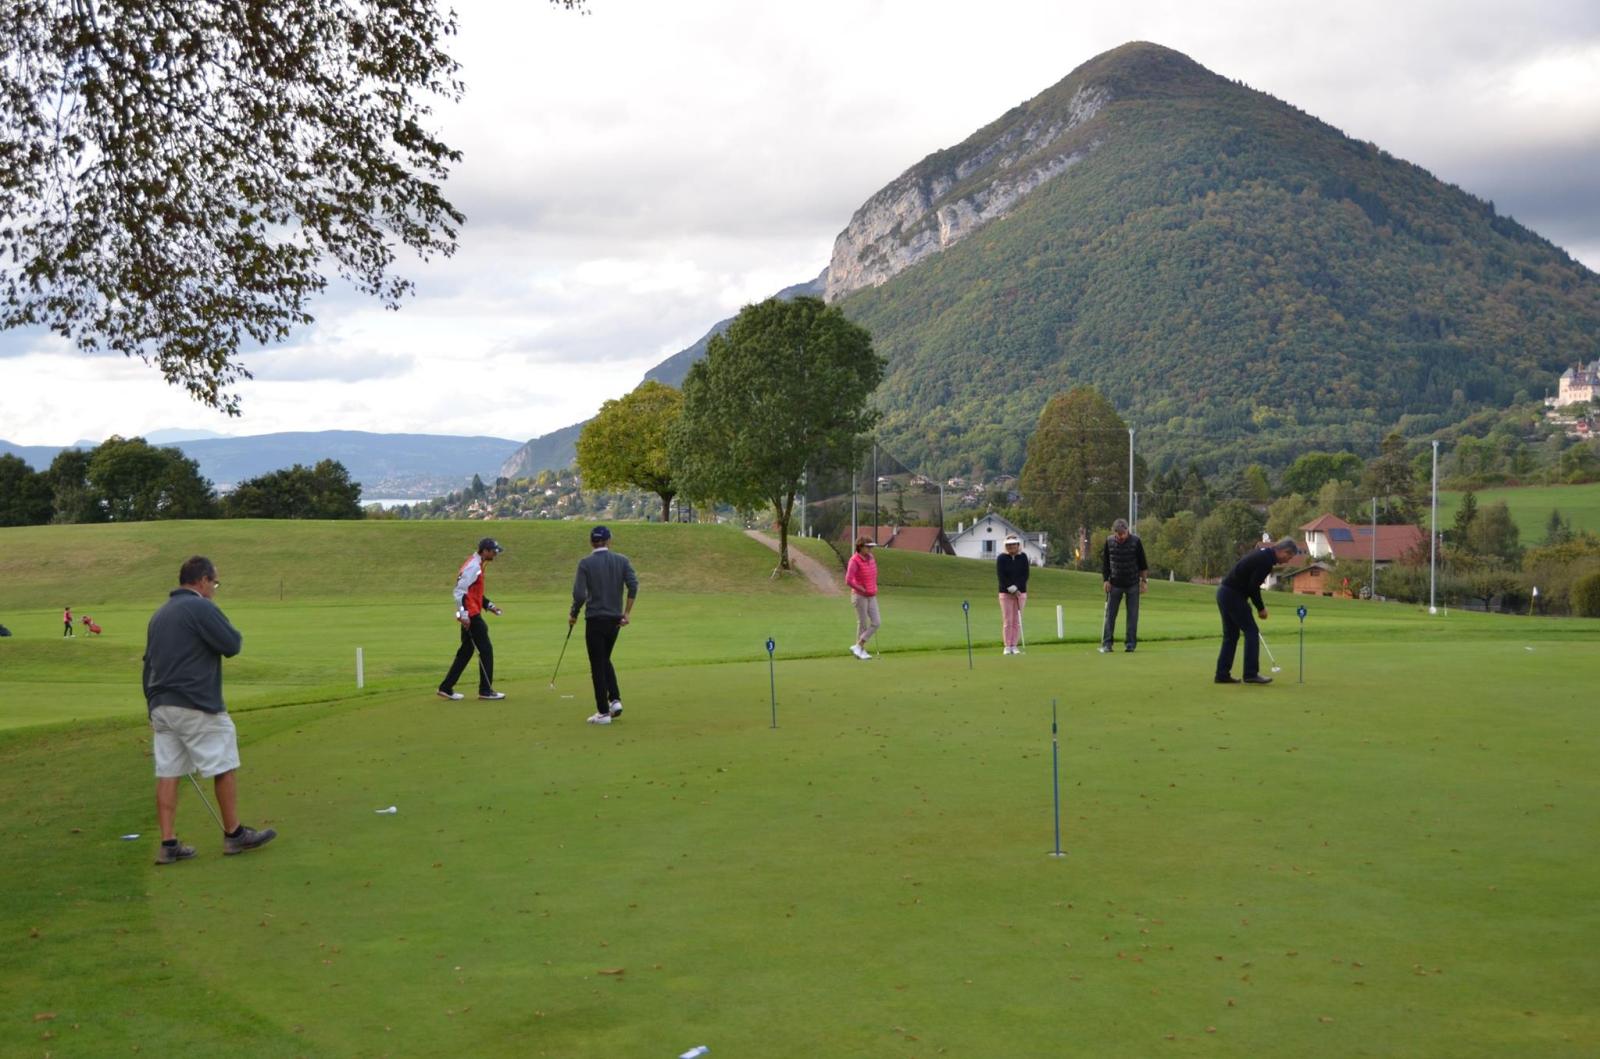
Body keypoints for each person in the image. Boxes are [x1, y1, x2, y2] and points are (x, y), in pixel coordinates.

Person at [143, 555, 276, 864]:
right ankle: (234, 835)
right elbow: (231, 644)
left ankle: (168, 843)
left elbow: (147, 664)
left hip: (161, 705)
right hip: (196, 702)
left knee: (168, 772)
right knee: (223, 761)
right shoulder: (200, 606)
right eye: (214, 583)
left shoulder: (159, 615)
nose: (214, 588)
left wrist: (152, 706)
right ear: (201, 581)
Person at [570, 525, 638, 724]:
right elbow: (633, 585)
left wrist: (574, 612)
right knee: (604, 659)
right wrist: (626, 613)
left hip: (595, 619)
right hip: (615, 620)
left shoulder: (585, 563)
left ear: (591, 542)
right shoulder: (622, 560)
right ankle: (614, 700)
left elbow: (580, 594)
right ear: (609, 540)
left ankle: (603, 712)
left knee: (597, 665)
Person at [1215, 537, 1300, 685]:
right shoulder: (1265, 561)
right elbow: (1253, 587)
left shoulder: (1264, 555)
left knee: (1231, 635)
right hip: (1233, 595)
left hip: (1225, 593)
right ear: (1283, 551)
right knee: (1251, 631)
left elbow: (1248, 583)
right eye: (1289, 556)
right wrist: (1261, 608)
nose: (1288, 561)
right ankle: (1250, 674)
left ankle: (1222, 674)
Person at [438, 537, 506, 701]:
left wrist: (490, 606)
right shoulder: (473, 566)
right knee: (486, 651)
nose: (495, 554)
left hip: (472, 613)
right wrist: (464, 614)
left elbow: (474, 593)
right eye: (493, 551)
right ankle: (485, 690)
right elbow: (459, 592)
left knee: (466, 652)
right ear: (485, 551)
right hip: (471, 616)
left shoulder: (478, 564)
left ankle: (446, 687)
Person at [1099, 518, 1149, 653]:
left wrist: (1144, 582)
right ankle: (1107, 643)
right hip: (1115, 583)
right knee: (1110, 615)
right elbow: (1106, 564)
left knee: (1132, 615)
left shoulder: (1136, 541)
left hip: (1132, 583)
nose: (1120, 536)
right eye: (1118, 534)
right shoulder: (1109, 542)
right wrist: (1105, 580)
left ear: (1127, 531)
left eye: (1123, 533)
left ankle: (1130, 644)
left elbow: (1143, 564)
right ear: (1114, 532)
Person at [845, 536, 880, 659]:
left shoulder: (871, 558)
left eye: (871, 547)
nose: (871, 549)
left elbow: (873, 575)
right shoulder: (854, 560)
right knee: (863, 623)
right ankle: (861, 650)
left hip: (871, 595)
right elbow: (848, 580)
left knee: (876, 622)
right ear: (860, 547)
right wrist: (861, 588)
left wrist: (873, 588)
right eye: (868, 547)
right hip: (859, 596)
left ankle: (858, 646)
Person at [995, 533, 1030, 655]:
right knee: (1007, 621)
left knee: (1017, 621)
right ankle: (1007, 646)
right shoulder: (1001, 558)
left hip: (1020, 593)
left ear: (1018, 545)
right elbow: (1001, 576)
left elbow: (1025, 575)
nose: (1011, 547)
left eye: (1013, 544)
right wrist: (1011, 588)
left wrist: (1017, 588)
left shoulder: (1023, 557)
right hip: (1005, 593)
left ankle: (1014, 645)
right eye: (1008, 545)